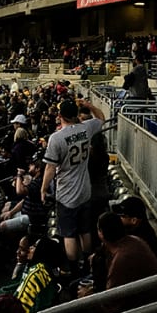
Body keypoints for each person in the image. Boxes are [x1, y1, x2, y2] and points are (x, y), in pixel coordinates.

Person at [43, 99, 104, 265]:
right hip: (85, 189)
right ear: (76, 115)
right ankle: (88, 262)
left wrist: (43, 189)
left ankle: (73, 266)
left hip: (66, 193)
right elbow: (101, 118)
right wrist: (90, 106)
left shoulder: (56, 138)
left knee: (69, 233)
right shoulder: (86, 128)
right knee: (85, 230)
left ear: (60, 115)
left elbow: (50, 168)